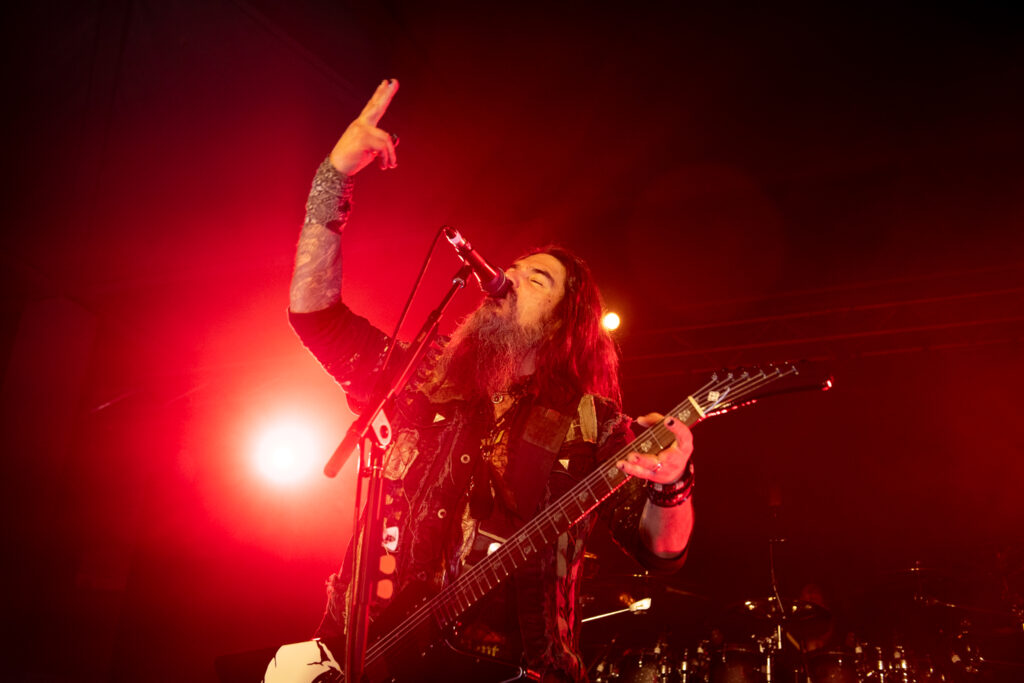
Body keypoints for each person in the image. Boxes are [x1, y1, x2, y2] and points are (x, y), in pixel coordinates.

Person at [288, 79, 695, 683]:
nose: (507, 278)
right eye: (512, 268)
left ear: (563, 324)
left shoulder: (591, 423)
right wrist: (332, 180)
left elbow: (661, 552)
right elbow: (316, 316)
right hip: (366, 659)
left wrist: (674, 484)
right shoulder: (423, 378)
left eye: (537, 280)